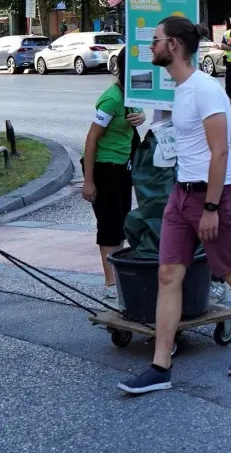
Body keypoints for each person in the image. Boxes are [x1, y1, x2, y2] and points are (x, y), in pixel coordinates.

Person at [117, 16, 231, 395]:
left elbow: (220, 152)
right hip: (181, 195)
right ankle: (160, 366)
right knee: (168, 275)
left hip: (212, 197)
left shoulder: (205, 89)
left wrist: (212, 208)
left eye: (154, 41)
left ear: (173, 45)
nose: (149, 47)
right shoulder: (180, 88)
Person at [83, 66, 144, 299]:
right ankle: (110, 283)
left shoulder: (134, 94)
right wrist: (89, 181)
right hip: (104, 168)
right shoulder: (112, 99)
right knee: (109, 226)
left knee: (121, 225)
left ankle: (117, 278)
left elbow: (138, 113)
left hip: (122, 167)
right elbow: (91, 140)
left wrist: (142, 116)